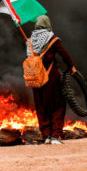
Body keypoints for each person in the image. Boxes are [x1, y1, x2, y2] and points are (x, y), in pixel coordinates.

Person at [27, 15, 76, 145]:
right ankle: (55, 136)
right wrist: (72, 67)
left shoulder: (30, 41)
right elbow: (64, 54)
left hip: (35, 78)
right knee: (58, 105)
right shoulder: (52, 39)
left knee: (42, 106)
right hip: (50, 78)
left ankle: (46, 136)